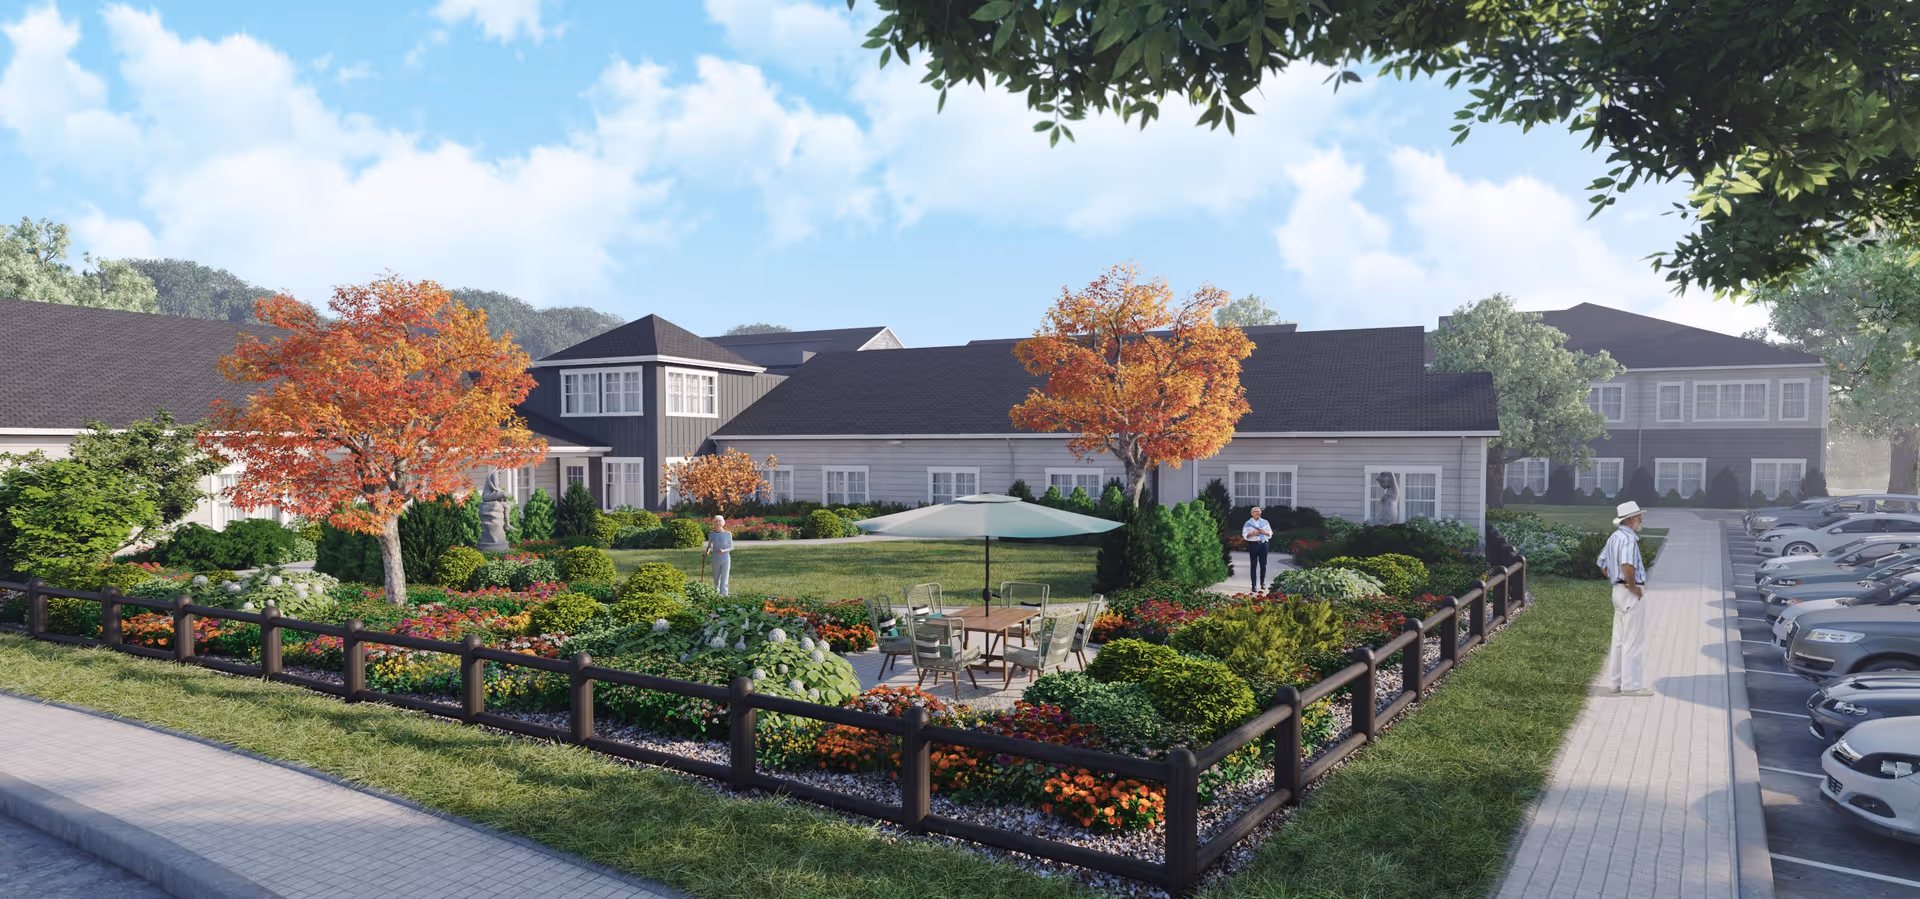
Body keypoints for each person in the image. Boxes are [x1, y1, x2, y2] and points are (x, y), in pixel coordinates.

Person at [1597, 501, 1651, 696]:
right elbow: (1627, 564)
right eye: (1638, 516)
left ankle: (1615, 683)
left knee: (1619, 639)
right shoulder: (1628, 540)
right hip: (1629, 593)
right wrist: (1632, 586)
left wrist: (1616, 579)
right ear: (1630, 520)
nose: (1641, 519)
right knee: (1632, 640)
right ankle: (1631, 685)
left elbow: (1602, 564)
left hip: (1617, 593)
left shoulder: (1614, 538)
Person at [1242, 506, 1275, 592]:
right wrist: (1251, 534)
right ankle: (1254, 585)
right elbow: (1245, 535)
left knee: (1263, 565)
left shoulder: (1265, 522)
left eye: (1259, 512)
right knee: (1253, 565)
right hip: (1253, 545)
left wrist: (1265, 532)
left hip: (1264, 545)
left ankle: (1263, 582)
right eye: (1256, 512)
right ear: (1252, 513)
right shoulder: (1248, 523)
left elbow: (1270, 533)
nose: (1258, 513)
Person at [706, 515, 734, 596]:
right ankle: (716, 594)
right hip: (715, 558)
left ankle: (724, 595)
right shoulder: (711, 534)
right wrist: (706, 553)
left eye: (720, 521)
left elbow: (731, 547)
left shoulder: (728, 534)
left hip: (725, 558)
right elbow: (709, 546)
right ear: (713, 523)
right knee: (716, 577)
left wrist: (724, 550)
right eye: (716, 521)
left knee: (725, 577)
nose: (718, 523)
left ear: (723, 523)